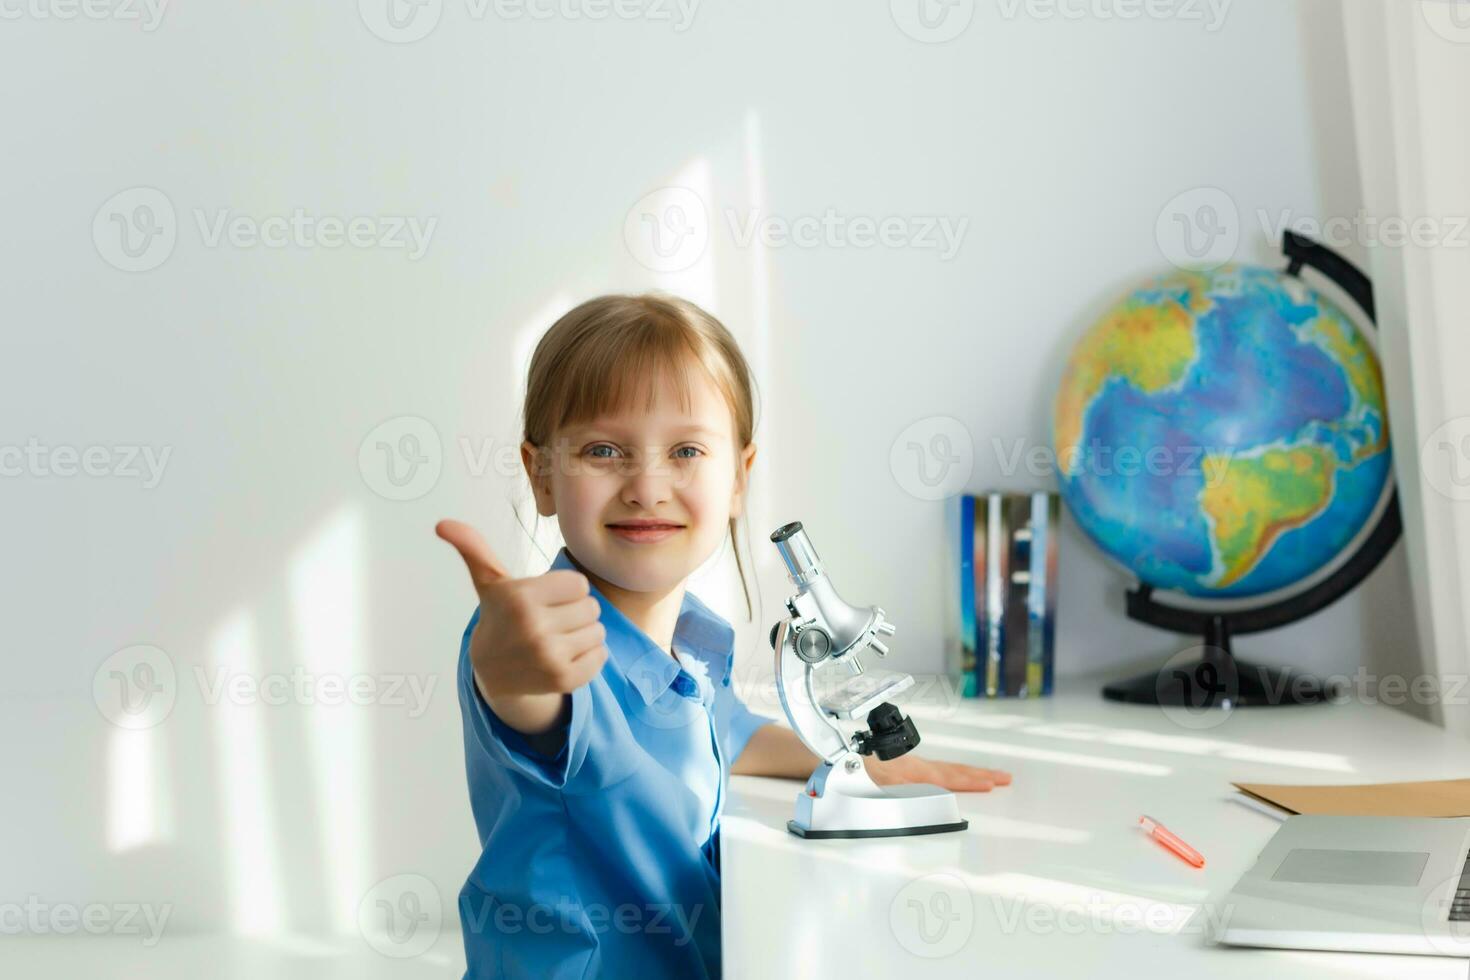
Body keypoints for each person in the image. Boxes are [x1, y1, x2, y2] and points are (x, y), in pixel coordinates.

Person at [436, 293, 1011, 979]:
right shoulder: (550, 646)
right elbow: (530, 697)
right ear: (542, 476)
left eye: (685, 450)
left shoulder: (693, 641)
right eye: (602, 450)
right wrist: (507, 663)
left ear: (739, 476)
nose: (647, 486)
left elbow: (727, 731)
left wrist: (852, 763)